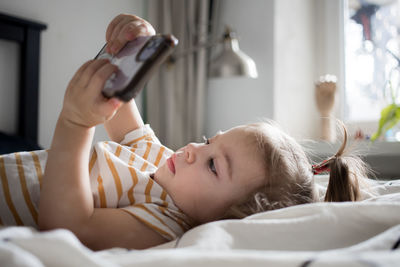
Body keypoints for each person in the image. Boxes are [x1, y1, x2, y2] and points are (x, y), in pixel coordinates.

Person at [0, 14, 370, 251]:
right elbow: (119, 107)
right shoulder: (159, 157)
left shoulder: (164, 222)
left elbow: (68, 225)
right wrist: (134, 45)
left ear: (229, 216)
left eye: (213, 166)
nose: (193, 148)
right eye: (210, 141)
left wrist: (74, 125)